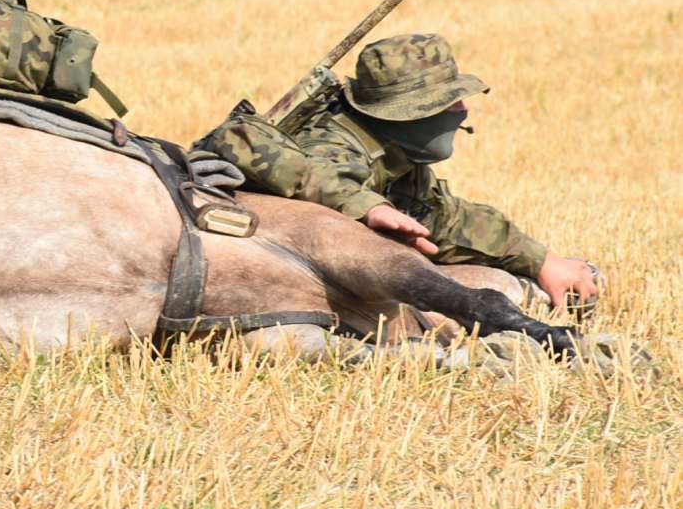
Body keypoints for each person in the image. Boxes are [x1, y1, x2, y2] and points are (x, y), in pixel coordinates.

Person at [198, 34, 600, 311]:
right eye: (448, 102)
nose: (463, 110)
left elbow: (445, 219)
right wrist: (365, 207)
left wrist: (542, 261)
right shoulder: (333, 150)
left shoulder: (395, 152)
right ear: (406, 114)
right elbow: (267, 153)